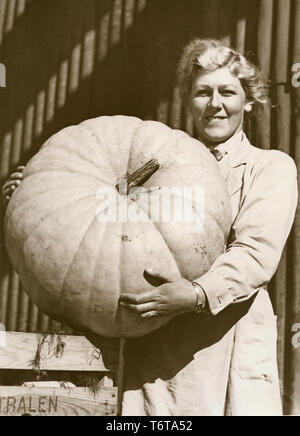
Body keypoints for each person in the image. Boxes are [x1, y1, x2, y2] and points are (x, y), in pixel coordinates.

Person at [2, 39, 298, 416]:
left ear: (249, 100)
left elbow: (256, 253)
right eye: (202, 92)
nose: (215, 104)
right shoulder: (155, 161)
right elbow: (89, 245)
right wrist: (32, 195)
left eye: (228, 92)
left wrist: (194, 294)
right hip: (154, 348)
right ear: (188, 101)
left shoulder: (270, 167)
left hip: (224, 346)